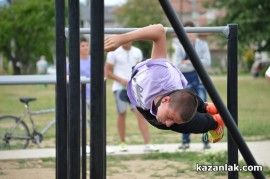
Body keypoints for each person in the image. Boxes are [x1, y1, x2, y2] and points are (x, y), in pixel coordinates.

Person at [104, 24, 224, 144]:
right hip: (152, 84)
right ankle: (213, 119)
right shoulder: (159, 75)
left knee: (177, 119)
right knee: (174, 119)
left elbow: (179, 104)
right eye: (170, 118)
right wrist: (121, 39)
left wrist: (172, 118)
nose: (168, 122)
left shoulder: (169, 102)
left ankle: (209, 114)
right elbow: (159, 31)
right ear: (166, 100)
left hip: (155, 94)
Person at [105, 42, 159, 152]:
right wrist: (121, 80)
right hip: (119, 88)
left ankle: (148, 144)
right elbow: (107, 72)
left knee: (140, 114)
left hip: (134, 89)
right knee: (122, 113)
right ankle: (122, 143)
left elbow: (141, 70)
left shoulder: (137, 51)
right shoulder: (114, 53)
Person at [67, 37, 114, 154]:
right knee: (81, 122)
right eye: (82, 46)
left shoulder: (94, 60)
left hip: (93, 96)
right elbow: (68, 77)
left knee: (97, 121)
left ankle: (99, 145)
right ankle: (83, 145)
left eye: (86, 45)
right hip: (80, 97)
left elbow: (103, 74)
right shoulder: (73, 61)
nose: (85, 48)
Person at [172, 21, 211, 149]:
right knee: (184, 111)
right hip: (185, 84)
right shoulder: (179, 46)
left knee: (204, 111)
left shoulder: (202, 44)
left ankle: (206, 141)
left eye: (191, 31)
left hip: (200, 82)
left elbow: (207, 62)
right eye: (186, 32)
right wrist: (195, 63)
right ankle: (185, 141)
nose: (189, 34)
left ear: (196, 32)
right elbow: (177, 66)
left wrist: (188, 62)